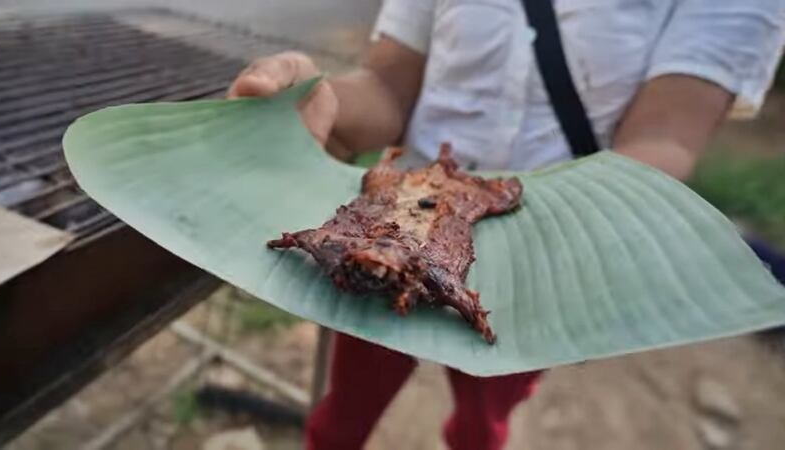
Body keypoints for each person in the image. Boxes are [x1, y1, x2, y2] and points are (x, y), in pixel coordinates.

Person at [227, 1, 785, 448]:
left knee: (484, 417)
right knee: (348, 399)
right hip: (400, 200)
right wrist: (323, 99)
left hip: (540, 252)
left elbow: (663, 139)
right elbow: (388, 86)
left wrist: (605, 266)